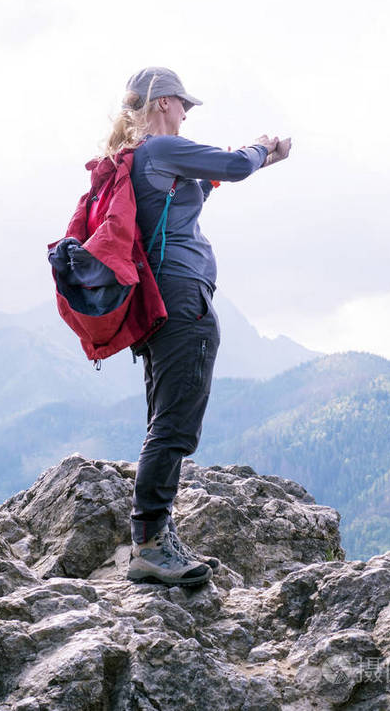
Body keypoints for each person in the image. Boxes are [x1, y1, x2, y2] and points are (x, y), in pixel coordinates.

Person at [102, 66, 291, 586]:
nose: (186, 114)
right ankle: (149, 546)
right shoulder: (158, 150)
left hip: (156, 301)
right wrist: (259, 148)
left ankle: (156, 537)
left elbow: (207, 182)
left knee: (164, 420)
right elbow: (231, 165)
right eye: (184, 105)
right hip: (182, 298)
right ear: (163, 102)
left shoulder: (140, 160)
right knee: (174, 426)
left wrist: (255, 162)